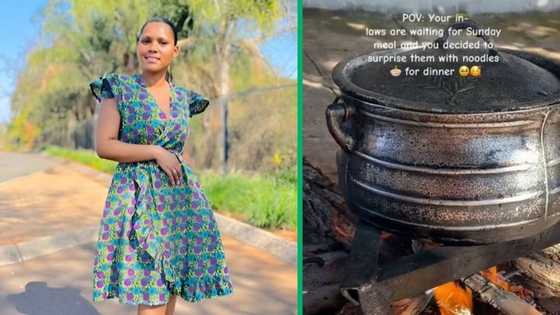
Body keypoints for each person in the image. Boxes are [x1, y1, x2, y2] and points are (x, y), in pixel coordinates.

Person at [89, 17, 234, 315]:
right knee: (152, 293)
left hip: (178, 202)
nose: (153, 47)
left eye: (162, 42)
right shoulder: (118, 89)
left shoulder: (184, 98)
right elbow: (105, 145)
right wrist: (154, 151)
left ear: (175, 50)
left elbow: (178, 151)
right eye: (146, 40)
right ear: (138, 45)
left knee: (170, 291)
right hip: (137, 199)